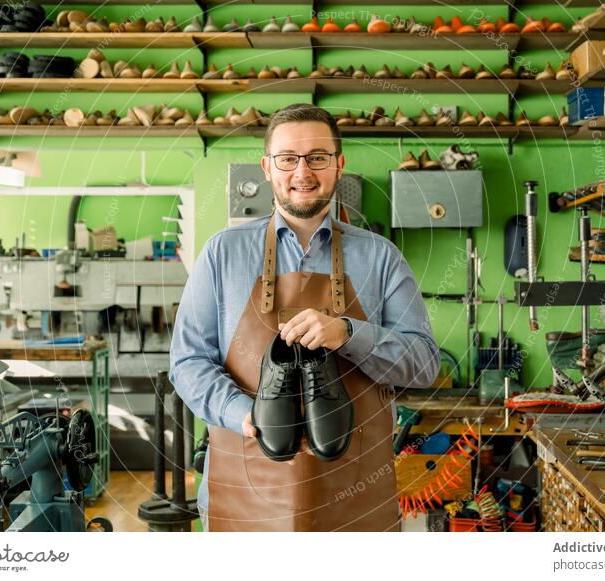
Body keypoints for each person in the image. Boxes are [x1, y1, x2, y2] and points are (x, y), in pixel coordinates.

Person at [170, 103, 439, 531]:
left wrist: (349, 333)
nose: (302, 173)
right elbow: (186, 363)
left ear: (338, 165)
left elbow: (424, 363)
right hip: (244, 500)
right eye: (288, 159)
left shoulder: (381, 257)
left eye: (317, 157)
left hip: (354, 501)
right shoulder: (222, 254)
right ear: (267, 167)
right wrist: (246, 413)